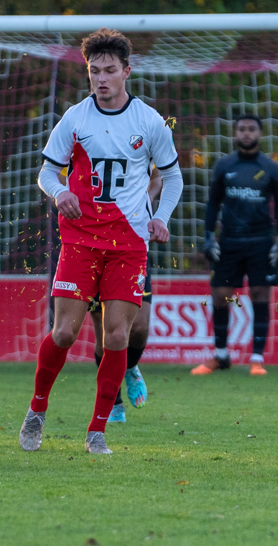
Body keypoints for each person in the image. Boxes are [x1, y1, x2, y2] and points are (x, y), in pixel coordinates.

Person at [19, 28, 183, 454]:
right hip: (80, 242)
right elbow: (45, 173)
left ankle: (97, 431)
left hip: (129, 245)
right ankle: (36, 411)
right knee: (65, 332)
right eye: (95, 71)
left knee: (116, 337)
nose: (102, 78)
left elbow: (174, 175)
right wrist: (61, 193)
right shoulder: (75, 118)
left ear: (127, 72)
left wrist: (161, 217)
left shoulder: (148, 120)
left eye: (110, 70)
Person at [194, 115, 278, 376]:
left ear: (260, 133)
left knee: (260, 295)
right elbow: (213, 203)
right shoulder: (224, 165)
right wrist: (208, 236)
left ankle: (257, 359)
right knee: (220, 295)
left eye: (251, 129)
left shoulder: (270, 167)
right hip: (229, 242)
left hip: (261, 242)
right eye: (242, 129)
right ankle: (221, 356)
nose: (246, 133)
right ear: (235, 133)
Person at [91, 167, 163, 422]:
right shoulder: (80, 138)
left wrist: (146, 200)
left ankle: (130, 367)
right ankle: (114, 402)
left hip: (131, 243)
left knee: (139, 327)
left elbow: (158, 176)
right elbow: (55, 178)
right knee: (105, 335)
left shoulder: (140, 136)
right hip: (91, 244)